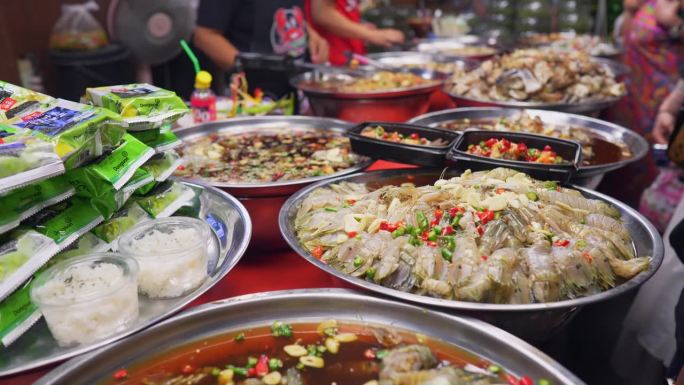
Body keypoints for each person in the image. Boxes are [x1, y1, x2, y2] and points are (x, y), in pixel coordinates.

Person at [599, 0, 684, 208]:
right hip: (638, 93)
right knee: (632, 156)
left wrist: (674, 21)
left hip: (662, 92)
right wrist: (630, 10)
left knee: (656, 158)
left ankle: (650, 212)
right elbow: (625, 36)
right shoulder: (641, 4)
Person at [193, 0, 329, 98]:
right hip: (254, 99)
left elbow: (286, 10)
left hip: (298, 90)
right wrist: (249, 71)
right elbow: (205, 35)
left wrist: (310, 33)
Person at [305, 0, 405, 66]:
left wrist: (358, 28)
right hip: (333, 66)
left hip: (350, 61)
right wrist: (373, 35)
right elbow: (322, 13)